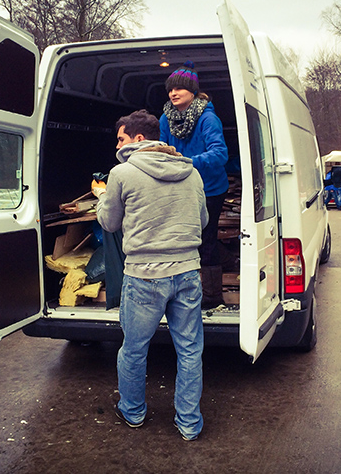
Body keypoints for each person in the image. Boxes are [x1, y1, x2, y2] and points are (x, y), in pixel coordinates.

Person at [94, 109, 208, 441]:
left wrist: (103, 198)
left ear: (138, 139)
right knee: (189, 350)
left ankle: (133, 412)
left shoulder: (121, 173)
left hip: (144, 276)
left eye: (121, 138)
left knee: (134, 349)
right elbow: (201, 221)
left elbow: (110, 223)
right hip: (187, 272)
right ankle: (188, 423)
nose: (118, 144)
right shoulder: (191, 172)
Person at [159, 61, 229, 309]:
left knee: (205, 238)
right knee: (181, 238)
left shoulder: (208, 119)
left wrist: (186, 162)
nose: (173, 93)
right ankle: (179, 290)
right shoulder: (165, 119)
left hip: (209, 189)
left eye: (179, 88)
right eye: (170, 90)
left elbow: (220, 154)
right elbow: (161, 149)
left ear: (193, 91)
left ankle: (212, 297)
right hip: (180, 186)